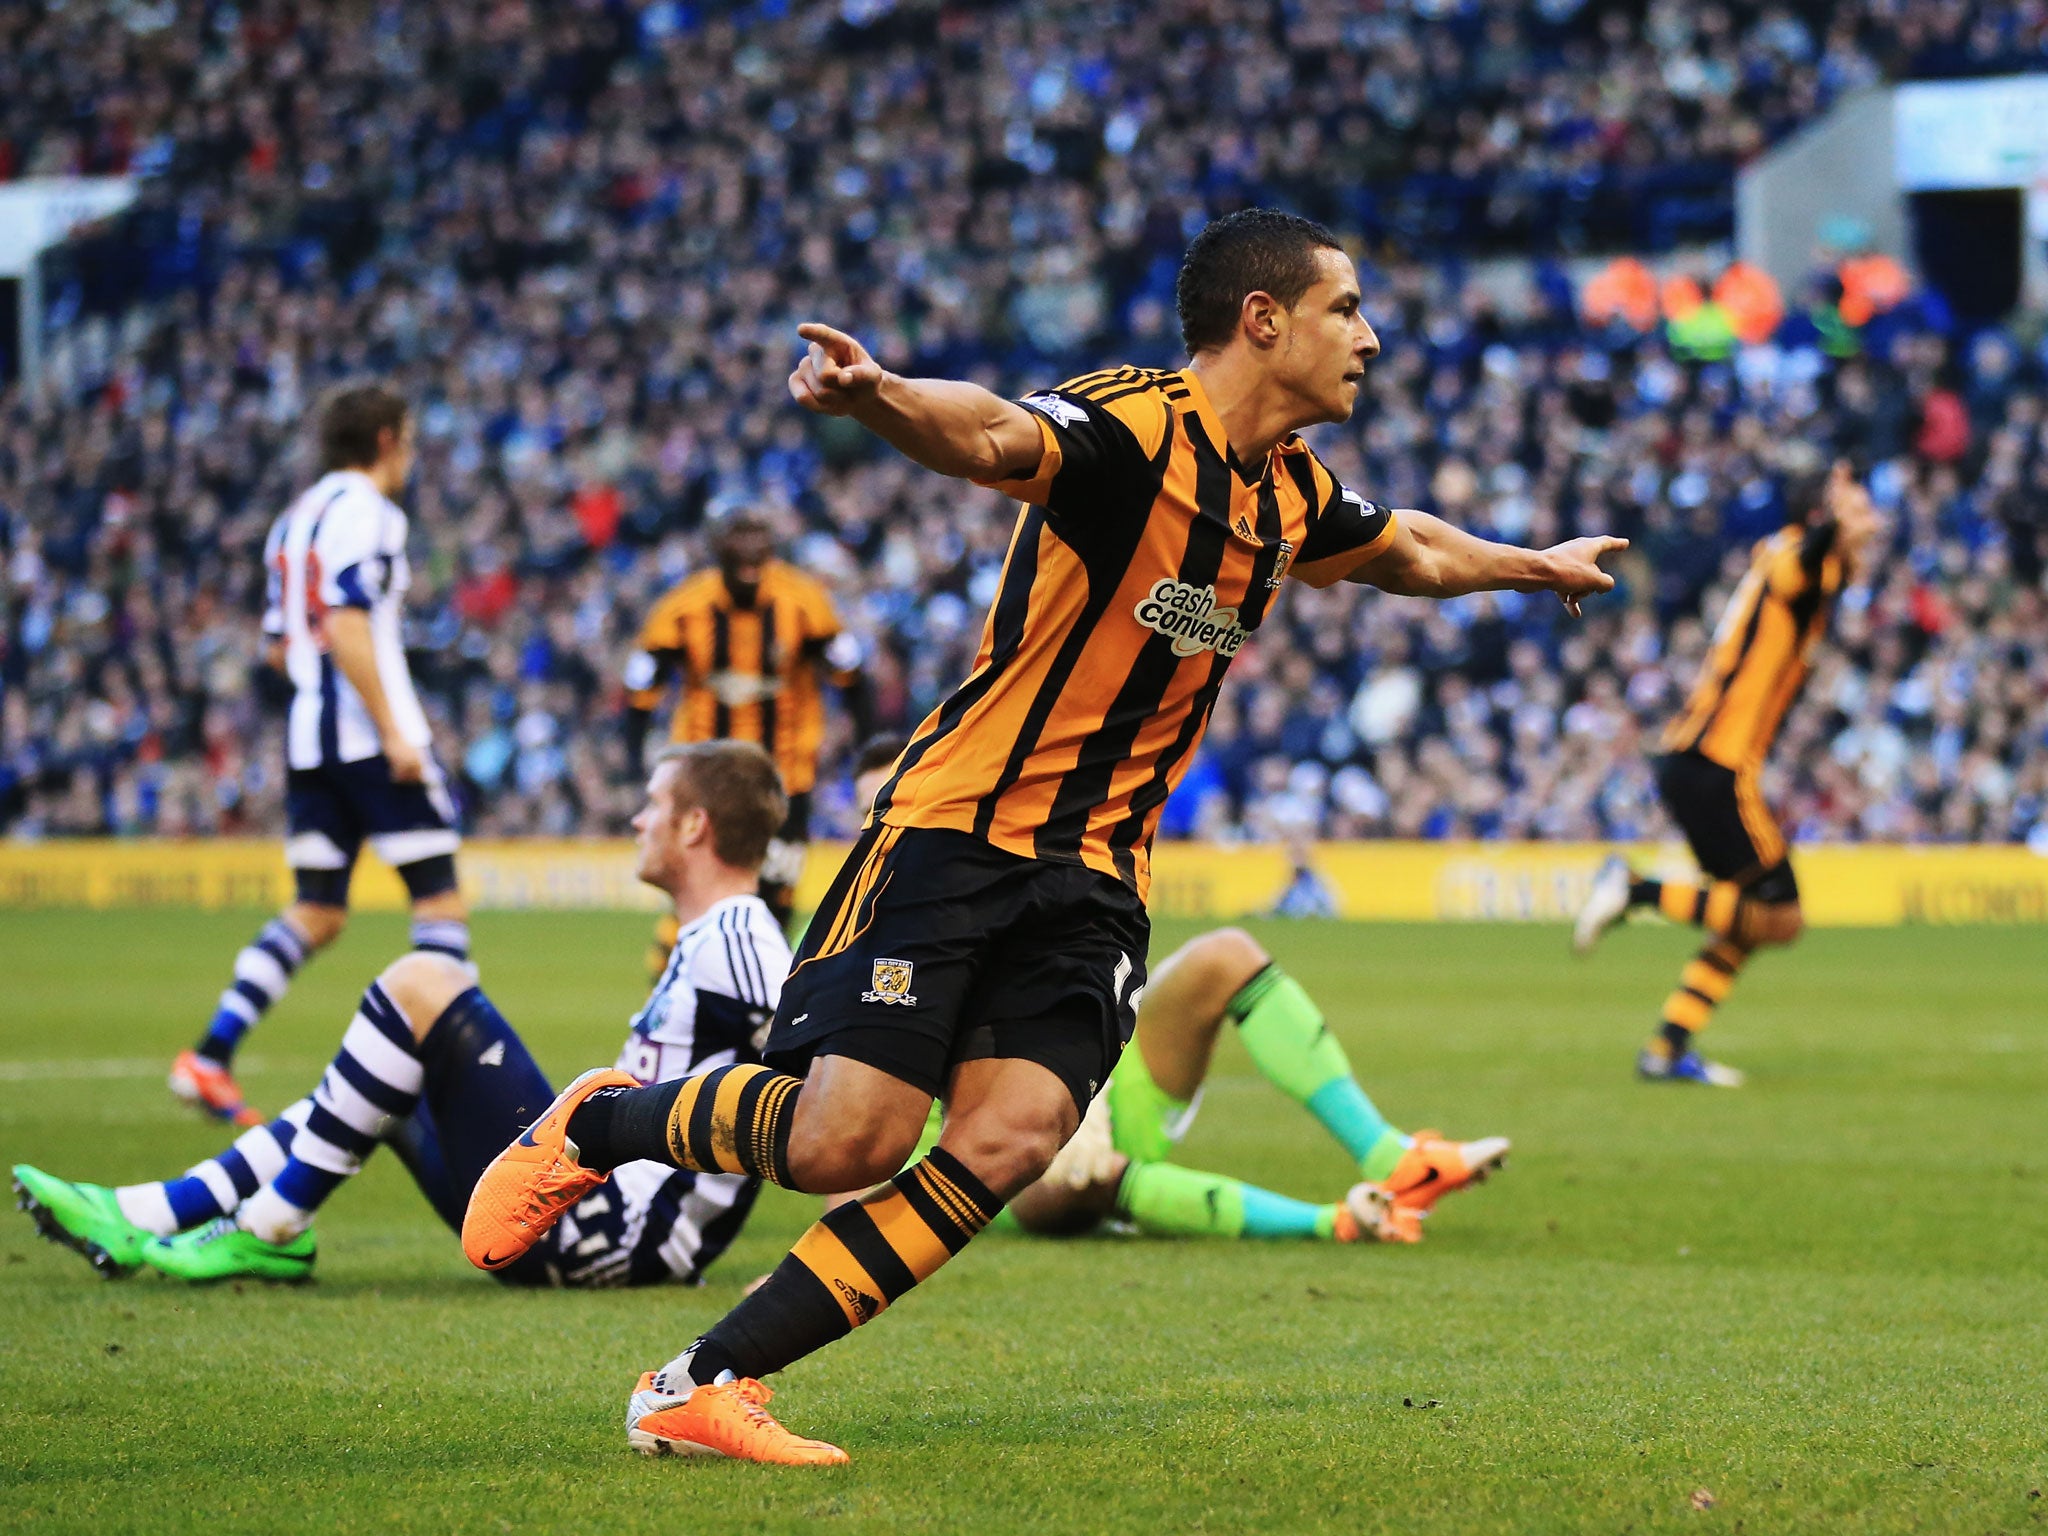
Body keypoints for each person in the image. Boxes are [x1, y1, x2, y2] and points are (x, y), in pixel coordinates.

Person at [462, 207, 1624, 1465]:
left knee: (1010, 1142)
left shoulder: (1290, 494)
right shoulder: (1132, 427)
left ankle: (703, 1380)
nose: (1372, 337)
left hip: (1095, 882)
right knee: (843, 1140)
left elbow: (1406, 551)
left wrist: (1530, 565)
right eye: (1346, 310)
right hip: (957, 831)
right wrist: (881, 397)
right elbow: (996, 432)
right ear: (1262, 319)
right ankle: (597, 1123)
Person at [15, 741, 788, 1289]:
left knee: (425, 978)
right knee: (382, 1081)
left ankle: (268, 1229)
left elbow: (813, 1090)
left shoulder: (742, 934)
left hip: (610, 1236)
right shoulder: (713, 937)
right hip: (582, 1212)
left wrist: (799, 1267)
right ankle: (149, 1211)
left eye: (654, 806)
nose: (635, 822)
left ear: (695, 828)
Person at [169, 383, 470, 1128]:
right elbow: (344, 623)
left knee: (318, 911)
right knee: (438, 902)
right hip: (371, 738)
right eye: (408, 435)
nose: (411, 451)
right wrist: (393, 731)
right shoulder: (372, 514)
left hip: (311, 739)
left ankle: (209, 1055)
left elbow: (282, 645)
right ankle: (463, 1082)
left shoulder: (294, 518)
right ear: (386, 440)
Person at [1574, 462, 1882, 1084]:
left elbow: (1836, 570)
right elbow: (1815, 558)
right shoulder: (1796, 554)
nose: (1873, 521)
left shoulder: (1798, 558)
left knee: (1747, 921)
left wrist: (1843, 524)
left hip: (1699, 761)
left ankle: (1664, 1051)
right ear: (1824, 518)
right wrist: (1834, 521)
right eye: (1860, 510)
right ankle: (1636, 889)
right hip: (1718, 765)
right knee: (1783, 918)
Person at [997, 927, 1508, 1244]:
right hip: (984, 1134)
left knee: (1226, 956)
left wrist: (1081, 1074)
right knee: (1069, 1180)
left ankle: (1395, 1160)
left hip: (1086, 1067)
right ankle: (1340, 1223)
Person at [624, 511, 862, 939]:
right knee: (697, 894)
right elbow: (640, 689)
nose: (751, 563)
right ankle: (681, 992)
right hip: (705, 778)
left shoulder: (804, 601)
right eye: (740, 550)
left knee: (775, 898)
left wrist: (860, 749)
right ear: (718, 554)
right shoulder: (683, 609)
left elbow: (852, 677)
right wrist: (631, 761)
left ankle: (765, 1001)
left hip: (784, 775)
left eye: (759, 550)